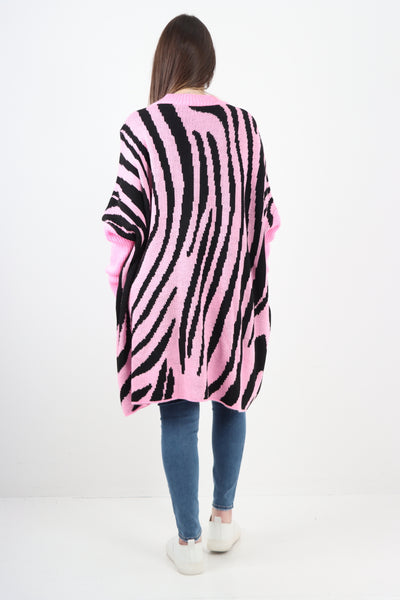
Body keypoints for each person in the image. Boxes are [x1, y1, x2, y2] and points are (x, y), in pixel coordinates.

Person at [101, 14, 281, 575]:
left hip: (167, 300)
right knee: (231, 398)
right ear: (208, 63)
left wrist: (121, 288)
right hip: (230, 291)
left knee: (179, 414)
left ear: (166, 62)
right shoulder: (245, 127)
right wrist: (239, 275)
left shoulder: (143, 126)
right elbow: (266, 220)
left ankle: (188, 543)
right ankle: (223, 522)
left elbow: (123, 226)